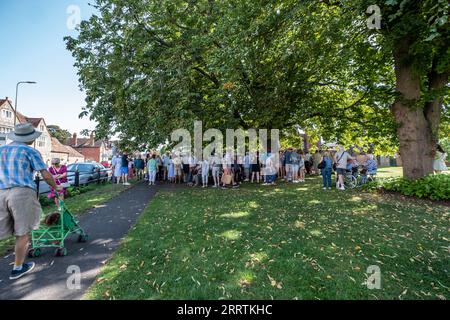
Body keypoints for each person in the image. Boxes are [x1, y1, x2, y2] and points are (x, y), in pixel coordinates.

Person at [0, 124, 60, 280]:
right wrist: (56, 187)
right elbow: (45, 174)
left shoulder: (1, 150)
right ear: (29, 138)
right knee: (23, 232)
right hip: (22, 193)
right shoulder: (30, 151)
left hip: (1, 193)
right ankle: (17, 268)